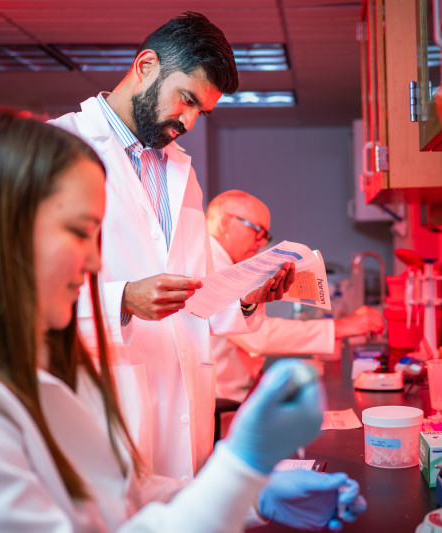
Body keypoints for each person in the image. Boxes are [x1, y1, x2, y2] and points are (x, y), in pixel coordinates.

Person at [0, 110, 366, 532]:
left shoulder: (38, 368)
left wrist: (256, 494)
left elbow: (123, 496)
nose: (95, 260)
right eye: (79, 232)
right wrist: (239, 469)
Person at [49, 11, 293, 479]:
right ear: (145, 65)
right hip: (104, 401)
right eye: (186, 99)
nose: (189, 122)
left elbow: (197, 289)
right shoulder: (57, 148)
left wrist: (246, 295)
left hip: (187, 405)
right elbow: (13, 293)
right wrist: (122, 300)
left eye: (200, 111)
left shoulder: (181, 172)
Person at [207, 190, 386, 404]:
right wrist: (345, 326)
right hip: (224, 399)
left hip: (240, 389)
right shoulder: (211, 266)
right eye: (258, 231)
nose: (262, 243)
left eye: (266, 235)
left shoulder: (225, 263)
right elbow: (259, 337)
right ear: (225, 223)